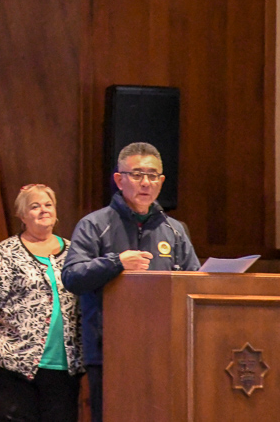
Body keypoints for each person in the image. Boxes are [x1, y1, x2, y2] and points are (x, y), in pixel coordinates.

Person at [62, 142, 200, 422]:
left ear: (161, 181)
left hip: (166, 349)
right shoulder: (95, 224)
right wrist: (115, 263)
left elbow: (194, 281)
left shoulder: (175, 230)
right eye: (137, 175)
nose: (146, 183)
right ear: (118, 179)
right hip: (110, 350)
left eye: (152, 176)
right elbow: (72, 276)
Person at [0, 185, 83, 422]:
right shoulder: (7, 251)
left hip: (64, 369)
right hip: (14, 368)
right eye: (35, 206)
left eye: (48, 205)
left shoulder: (75, 252)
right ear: (22, 216)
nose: (43, 210)